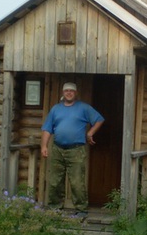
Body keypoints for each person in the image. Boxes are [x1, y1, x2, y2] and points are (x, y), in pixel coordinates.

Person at [41, 82, 104, 216]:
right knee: (54, 181)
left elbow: (99, 119)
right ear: (63, 93)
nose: (69, 93)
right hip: (57, 148)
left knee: (77, 181)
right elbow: (47, 129)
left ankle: (81, 210)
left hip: (76, 150)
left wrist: (90, 133)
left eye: (71, 91)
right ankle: (54, 209)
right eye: (66, 91)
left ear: (76, 93)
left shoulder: (84, 108)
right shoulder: (55, 109)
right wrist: (44, 146)